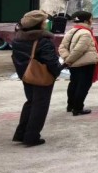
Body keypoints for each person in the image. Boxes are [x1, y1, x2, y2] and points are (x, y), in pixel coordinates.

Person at [12, 10, 63, 147]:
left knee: (30, 102)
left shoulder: (18, 38)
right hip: (41, 76)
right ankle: (32, 136)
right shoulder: (43, 41)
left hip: (26, 75)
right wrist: (57, 71)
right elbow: (51, 62)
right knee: (39, 106)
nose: (46, 23)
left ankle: (21, 133)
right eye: (44, 21)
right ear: (39, 24)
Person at [58, 11, 98, 116]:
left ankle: (70, 105)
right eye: (91, 19)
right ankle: (78, 108)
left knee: (73, 84)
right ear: (86, 21)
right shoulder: (86, 33)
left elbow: (62, 47)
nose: (92, 21)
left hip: (73, 64)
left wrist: (67, 59)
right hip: (85, 64)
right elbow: (79, 50)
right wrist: (69, 60)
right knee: (83, 86)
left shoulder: (71, 31)